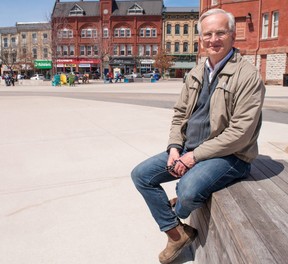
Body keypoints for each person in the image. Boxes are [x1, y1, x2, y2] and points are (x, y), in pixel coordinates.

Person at [131, 8, 265, 264]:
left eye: (220, 33)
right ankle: (175, 233)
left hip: (230, 156)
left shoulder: (247, 76)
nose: (213, 39)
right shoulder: (195, 73)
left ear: (232, 36)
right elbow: (180, 114)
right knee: (141, 175)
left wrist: (193, 157)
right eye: (208, 34)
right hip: (190, 148)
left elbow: (240, 133)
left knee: (188, 190)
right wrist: (174, 148)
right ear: (201, 38)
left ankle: (178, 204)